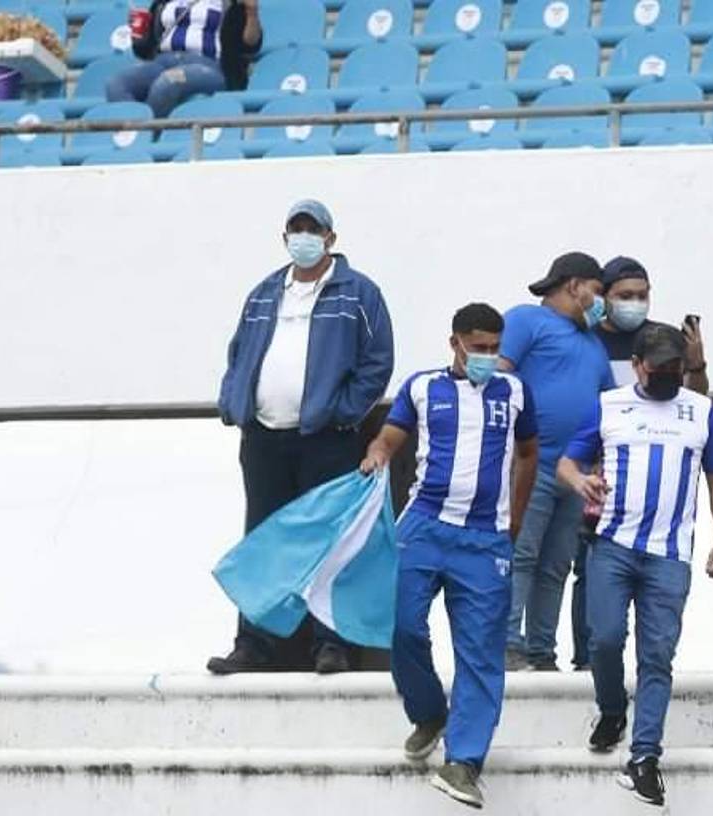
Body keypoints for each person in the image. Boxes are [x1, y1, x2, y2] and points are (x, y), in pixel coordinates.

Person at [359, 303, 538, 809]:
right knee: (403, 626)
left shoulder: (517, 391)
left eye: (494, 349)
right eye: (478, 348)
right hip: (425, 525)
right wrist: (376, 455)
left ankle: (463, 761)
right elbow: (389, 438)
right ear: (455, 343)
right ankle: (429, 711)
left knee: (481, 652)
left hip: (486, 538)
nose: (487, 357)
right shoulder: (422, 386)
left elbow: (529, 453)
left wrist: (516, 519)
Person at [209, 198, 394, 675]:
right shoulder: (265, 292)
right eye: (296, 228)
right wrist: (235, 404)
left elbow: (378, 361)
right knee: (263, 538)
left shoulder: (359, 292)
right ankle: (253, 645)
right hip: (264, 437)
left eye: (314, 229)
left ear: (331, 238)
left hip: (326, 438)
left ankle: (331, 644)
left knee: (330, 541)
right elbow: (238, 354)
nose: (304, 237)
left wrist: (343, 412)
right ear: (284, 236)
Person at [558, 323, 713, 808]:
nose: (667, 376)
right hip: (612, 543)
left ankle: (644, 756)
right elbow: (567, 463)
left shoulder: (701, 411)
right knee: (606, 638)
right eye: (658, 369)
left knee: (657, 655)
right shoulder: (609, 404)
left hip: (670, 552)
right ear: (637, 366)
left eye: (675, 368)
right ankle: (613, 709)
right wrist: (580, 483)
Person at [570, 255, 709, 670]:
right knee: (589, 568)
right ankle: (587, 658)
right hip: (594, 465)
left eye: (642, 296)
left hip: (648, 469)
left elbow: (695, 395)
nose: (635, 303)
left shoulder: (660, 341)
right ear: (605, 296)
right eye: (624, 296)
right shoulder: (587, 338)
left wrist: (696, 360)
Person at [500, 252, 616, 671]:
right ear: (574, 286)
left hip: (577, 474)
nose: (602, 302)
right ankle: (509, 644)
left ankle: (540, 651)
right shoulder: (526, 320)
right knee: (521, 555)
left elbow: (607, 404)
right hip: (529, 465)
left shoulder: (592, 343)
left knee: (555, 566)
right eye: (598, 292)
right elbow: (499, 376)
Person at [107, 0, 262, 119]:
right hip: (163, 61)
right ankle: (133, 134)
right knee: (117, 84)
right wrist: (139, 34)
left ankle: (149, 135)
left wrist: (251, 13)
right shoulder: (162, 3)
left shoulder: (231, 3)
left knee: (167, 82)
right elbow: (144, 50)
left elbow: (250, 45)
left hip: (208, 65)